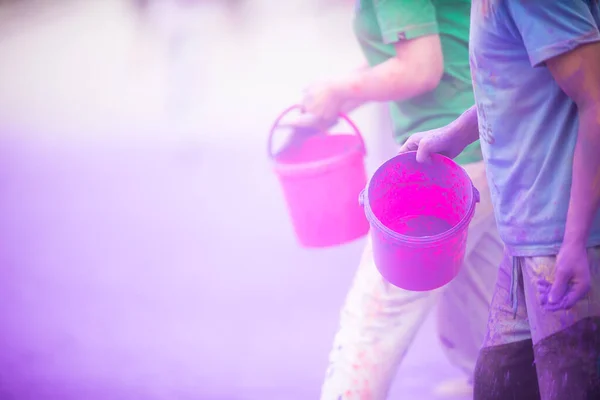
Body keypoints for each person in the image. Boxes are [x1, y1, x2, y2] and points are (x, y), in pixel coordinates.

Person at [289, 1, 503, 398]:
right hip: (490, 152)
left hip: (445, 166)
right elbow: (416, 56)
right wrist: (337, 98)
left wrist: (337, 88)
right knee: (484, 331)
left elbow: (421, 68)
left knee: (371, 326)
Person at [399, 1, 600, 399]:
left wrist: (575, 242)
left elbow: (596, 101)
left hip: (560, 240)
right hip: (527, 235)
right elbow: (522, 77)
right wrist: (456, 132)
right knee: (496, 386)